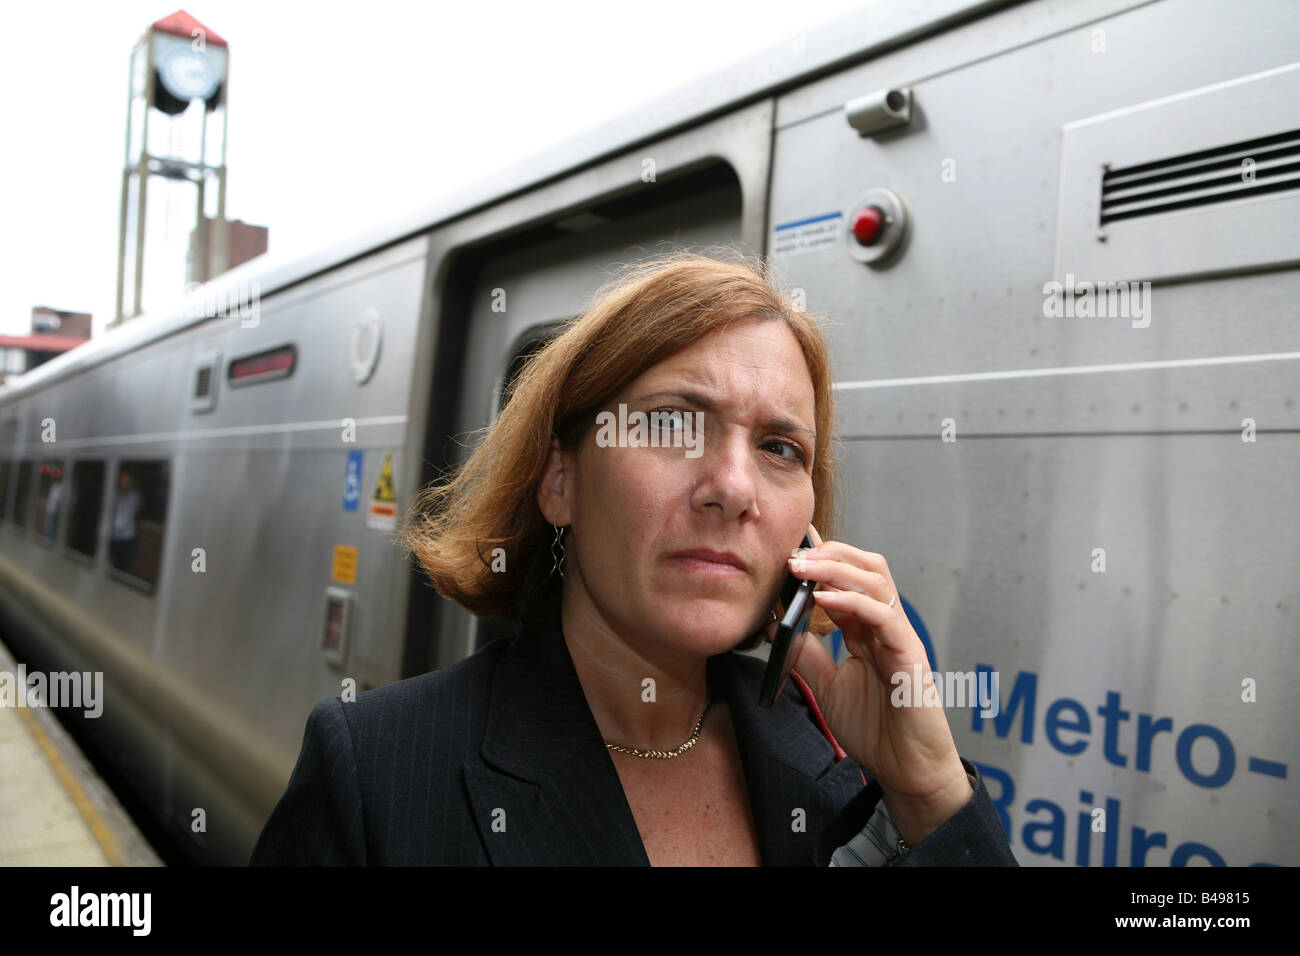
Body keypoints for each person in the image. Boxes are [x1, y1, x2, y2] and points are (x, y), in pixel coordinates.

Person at [250, 250, 1019, 866]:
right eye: (676, 425)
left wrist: (927, 790)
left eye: (781, 448)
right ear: (561, 481)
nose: (733, 488)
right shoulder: (378, 771)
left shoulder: (829, 754)